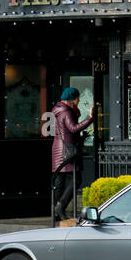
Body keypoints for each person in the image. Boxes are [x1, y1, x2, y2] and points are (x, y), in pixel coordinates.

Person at [51, 86, 94, 221]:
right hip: (68, 150)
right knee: (76, 179)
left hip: (59, 149)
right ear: (71, 99)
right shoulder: (66, 111)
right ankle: (60, 207)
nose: (78, 100)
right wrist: (90, 118)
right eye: (77, 97)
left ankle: (56, 212)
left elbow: (66, 131)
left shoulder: (58, 109)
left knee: (60, 183)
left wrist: (81, 138)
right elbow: (73, 128)